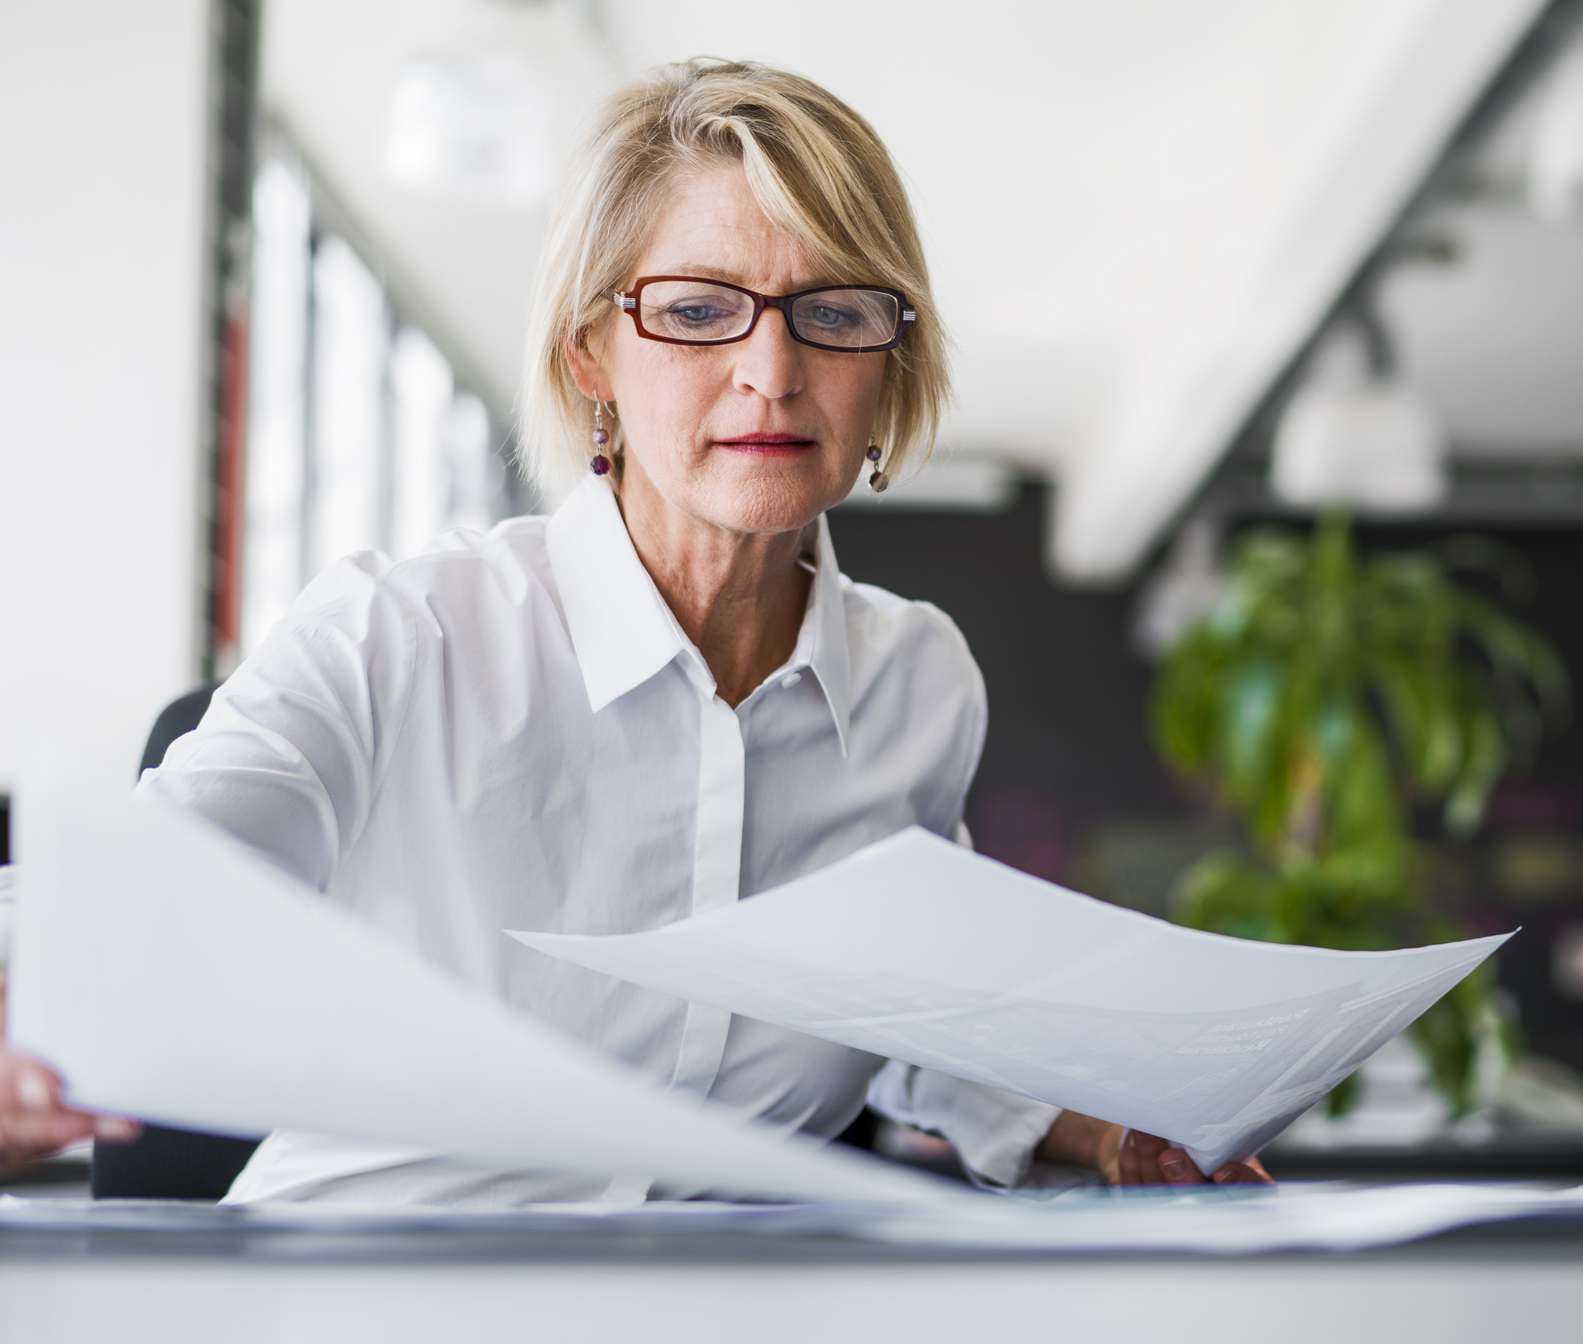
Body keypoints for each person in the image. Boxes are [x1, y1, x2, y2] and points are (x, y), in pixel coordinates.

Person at [0, 57, 1269, 1199]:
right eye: (700, 309)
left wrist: (1101, 1129)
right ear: (589, 356)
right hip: (377, 1308)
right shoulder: (401, 638)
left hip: (726, 1332)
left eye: (831, 312)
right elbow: (119, 903)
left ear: (888, 359)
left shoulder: (914, 683)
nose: (771, 375)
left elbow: (900, 1011)